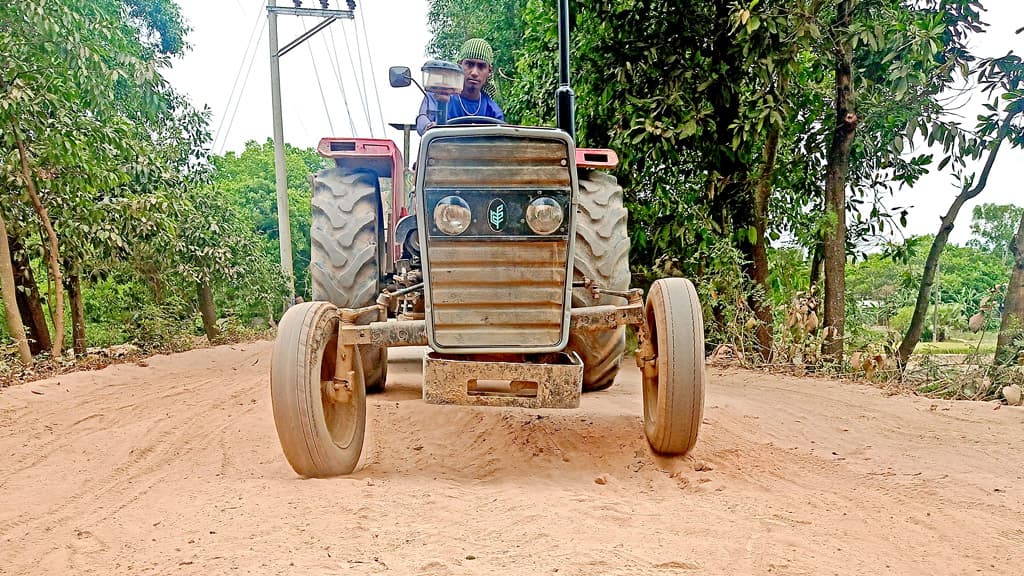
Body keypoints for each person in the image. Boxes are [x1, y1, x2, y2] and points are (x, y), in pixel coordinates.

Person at [416, 38, 505, 135]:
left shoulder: (493, 111)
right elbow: (423, 119)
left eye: (481, 66)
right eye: (469, 64)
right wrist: (428, 127)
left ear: (489, 71)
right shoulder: (439, 95)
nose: (474, 73)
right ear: (459, 65)